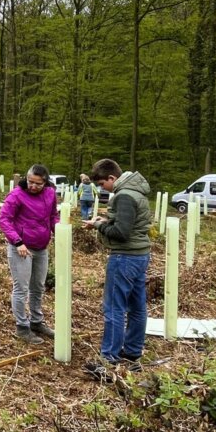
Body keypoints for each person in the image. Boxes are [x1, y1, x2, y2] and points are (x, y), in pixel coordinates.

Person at [83, 158, 154, 381]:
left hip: (125, 256)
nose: (102, 188)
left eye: (103, 184)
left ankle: (109, 357)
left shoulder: (124, 196)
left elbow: (121, 232)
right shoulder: (136, 191)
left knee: (114, 306)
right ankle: (132, 352)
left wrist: (98, 224)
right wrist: (108, 220)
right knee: (136, 305)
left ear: (112, 178)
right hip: (140, 254)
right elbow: (128, 224)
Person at [0, 164, 59, 343]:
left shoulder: (50, 194)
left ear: (45, 182)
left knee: (38, 287)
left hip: (41, 247)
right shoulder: (16, 195)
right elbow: (4, 219)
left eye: (38, 184)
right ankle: (22, 327)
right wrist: (17, 241)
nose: (33, 186)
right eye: (30, 182)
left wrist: (60, 231)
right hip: (22, 248)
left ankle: (36, 321)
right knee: (21, 288)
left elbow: (53, 216)